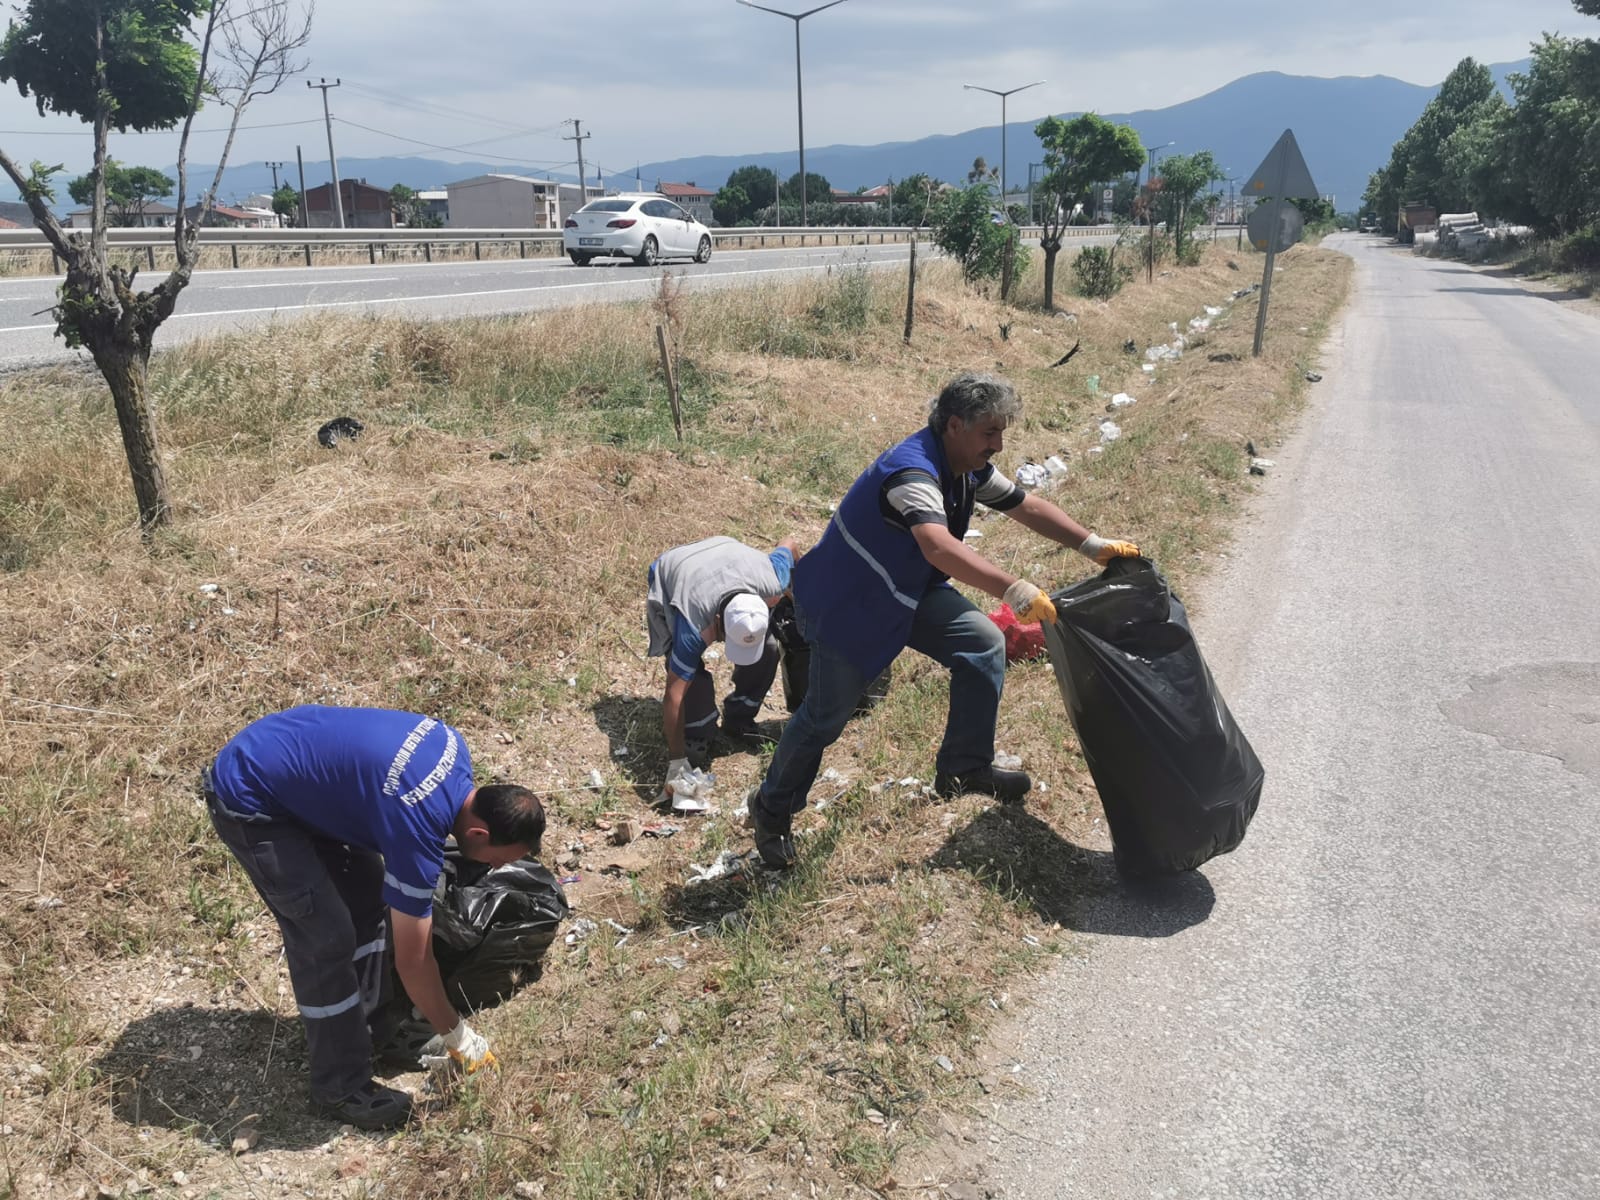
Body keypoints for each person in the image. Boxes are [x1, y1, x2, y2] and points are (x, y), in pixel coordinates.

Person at [747, 371, 1140, 868]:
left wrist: (1091, 544)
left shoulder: (967, 465)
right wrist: (1012, 588)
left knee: (980, 643)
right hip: (850, 604)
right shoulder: (912, 474)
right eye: (990, 432)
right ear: (955, 425)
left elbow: (1025, 505)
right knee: (826, 717)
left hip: (905, 592)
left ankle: (965, 767)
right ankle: (771, 810)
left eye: (1001, 432)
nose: (998, 444)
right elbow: (937, 546)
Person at [200, 705, 545, 1129]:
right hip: (252, 797)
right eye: (496, 860)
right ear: (478, 834)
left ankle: (380, 1031)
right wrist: (460, 1036)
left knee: (367, 898)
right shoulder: (418, 825)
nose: (492, 870)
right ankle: (340, 1087)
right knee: (325, 938)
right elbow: (414, 961)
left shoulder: (454, 749)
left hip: (294, 772)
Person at [645, 534, 800, 810]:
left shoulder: (772, 582)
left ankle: (738, 719)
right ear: (718, 622)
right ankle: (698, 730)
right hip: (676, 569)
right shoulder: (693, 622)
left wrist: (801, 602)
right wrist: (677, 761)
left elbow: (789, 545)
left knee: (769, 648)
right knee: (692, 684)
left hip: (730, 555)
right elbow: (674, 694)